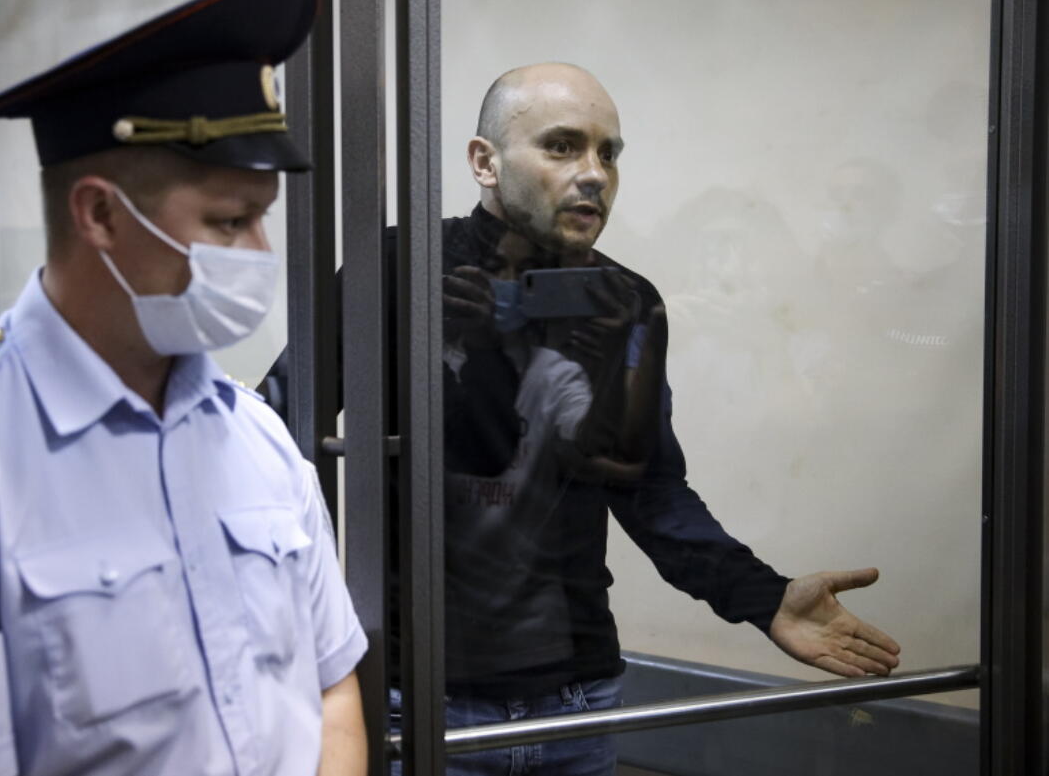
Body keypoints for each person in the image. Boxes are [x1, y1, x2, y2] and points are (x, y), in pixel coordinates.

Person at [269, 62, 902, 776]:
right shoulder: (398, 270)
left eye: (609, 152)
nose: (594, 173)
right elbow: (273, 446)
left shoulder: (626, 301)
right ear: (485, 161)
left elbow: (650, 486)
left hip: (578, 699)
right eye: (563, 146)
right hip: (419, 703)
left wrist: (764, 597)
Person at [0, 0, 367, 776]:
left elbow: (331, 693)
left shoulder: (257, 439)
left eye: (263, 216)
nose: (258, 252)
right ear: (101, 214)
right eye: (227, 220)